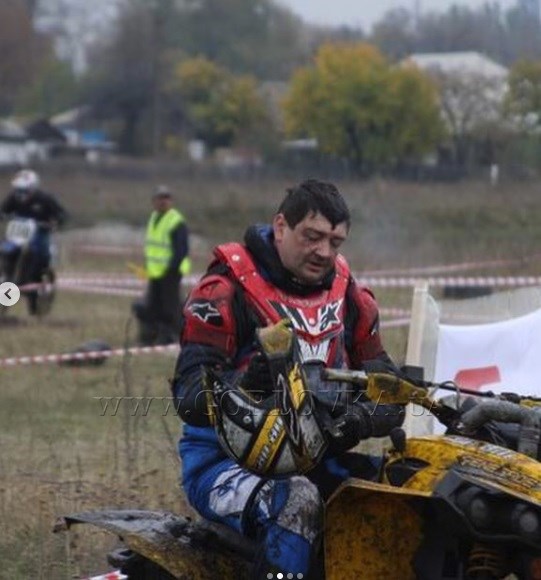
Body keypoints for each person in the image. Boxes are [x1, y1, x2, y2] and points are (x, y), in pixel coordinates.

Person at [172, 179, 406, 579]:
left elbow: (390, 390)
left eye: (335, 242)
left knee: (406, 489)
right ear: (281, 226)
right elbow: (189, 397)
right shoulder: (224, 290)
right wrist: (248, 385)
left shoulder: (349, 294)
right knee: (297, 502)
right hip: (221, 464)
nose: (323, 252)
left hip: (318, 458)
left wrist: (355, 421)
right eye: (312, 237)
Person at [133, 185, 191, 345]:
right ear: (154, 201)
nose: (163, 201)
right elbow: (152, 246)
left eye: (166, 198)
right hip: (155, 272)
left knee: (171, 308)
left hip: (170, 272)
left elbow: (181, 249)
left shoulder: (176, 221)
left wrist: (172, 268)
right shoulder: (154, 218)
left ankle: (178, 336)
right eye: (160, 198)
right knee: (154, 306)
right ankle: (156, 336)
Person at [0, 168, 67, 281]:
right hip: (18, 233)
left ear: (32, 188)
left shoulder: (45, 199)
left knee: (41, 253)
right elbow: (3, 210)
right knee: (5, 249)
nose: (20, 193)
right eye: (18, 189)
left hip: (40, 231)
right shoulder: (12, 198)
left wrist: (56, 222)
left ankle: (36, 277)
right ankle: (5, 275)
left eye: (24, 190)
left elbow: (61, 214)